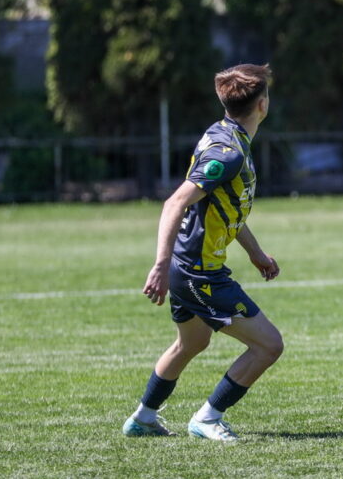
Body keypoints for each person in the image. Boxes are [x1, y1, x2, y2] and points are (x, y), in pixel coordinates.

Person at [122, 64, 283, 441]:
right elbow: (175, 202)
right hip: (197, 271)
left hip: (190, 266)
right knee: (269, 345)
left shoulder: (225, 134)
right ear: (263, 105)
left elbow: (227, 206)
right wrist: (160, 265)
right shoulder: (227, 153)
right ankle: (208, 418)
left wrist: (255, 253)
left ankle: (144, 417)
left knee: (192, 342)